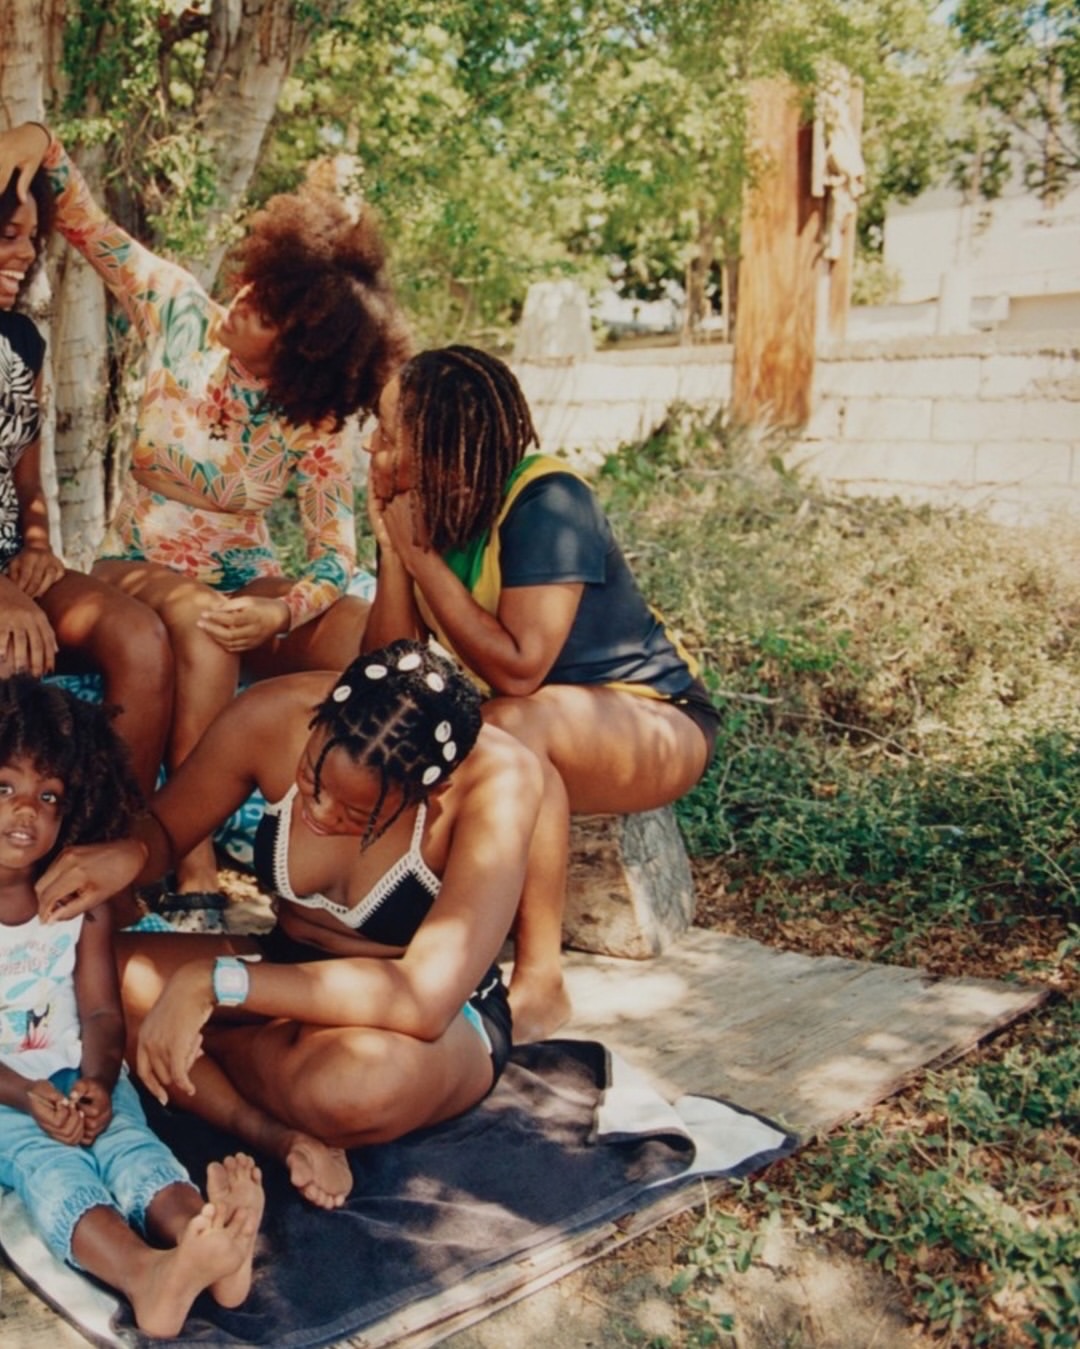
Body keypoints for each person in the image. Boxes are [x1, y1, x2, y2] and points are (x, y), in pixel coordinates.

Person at [0, 120, 411, 901]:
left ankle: (340, 841)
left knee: (363, 632)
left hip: (244, 580)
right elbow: (88, 222)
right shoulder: (181, 313)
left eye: (265, 311)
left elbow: (333, 555)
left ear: (298, 348)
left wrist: (283, 612)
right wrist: (34, 146)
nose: (243, 299)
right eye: (255, 285)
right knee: (202, 621)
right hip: (138, 564)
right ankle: (187, 855)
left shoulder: (314, 420)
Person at [35, 639, 543, 1210]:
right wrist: (129, 854)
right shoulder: (272, 714)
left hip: (426, 1017)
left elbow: (422, 999)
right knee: (85, 976)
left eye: (356, 815)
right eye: (311, 781)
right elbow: (165, 832)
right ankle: (279, 1134)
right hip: (284, 967)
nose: (321, 814)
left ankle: (202, 1052)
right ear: (321, 719)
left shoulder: (500, 784)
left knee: (353, 1089)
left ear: (431, 789)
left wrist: (212, 983)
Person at [360, 346, 720, 1043]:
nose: (372, 447)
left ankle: (542, 982)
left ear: (438, 443)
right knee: (494, 733)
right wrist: (397, 555)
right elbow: (390, 668)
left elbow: (524, 667)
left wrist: (425, 559)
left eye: (388, 431)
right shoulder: (420, 512)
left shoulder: (549, 500)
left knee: (510, 728)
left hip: (655, 720)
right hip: (539, 726)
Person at [0, 675, 264, 1338]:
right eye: (3, 787)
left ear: (72, 809)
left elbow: (99, 1011)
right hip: (5, 1097)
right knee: (51, 1166)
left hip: (78, 1075)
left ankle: (208, 1241)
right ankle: (142, 1273)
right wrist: (28, 1094)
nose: (24, 811)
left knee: (132, 1145)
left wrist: (97, 1077)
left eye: (48, 795)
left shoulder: (74, 904)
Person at [0, 162, 172, 800]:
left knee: (141, 638)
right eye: (8, 236)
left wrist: (37, 546)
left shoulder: (22, 342)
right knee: (13, 658)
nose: (24, 255)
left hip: (14, 563)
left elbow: (27, 479)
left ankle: (114, 849)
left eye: (32, 239)